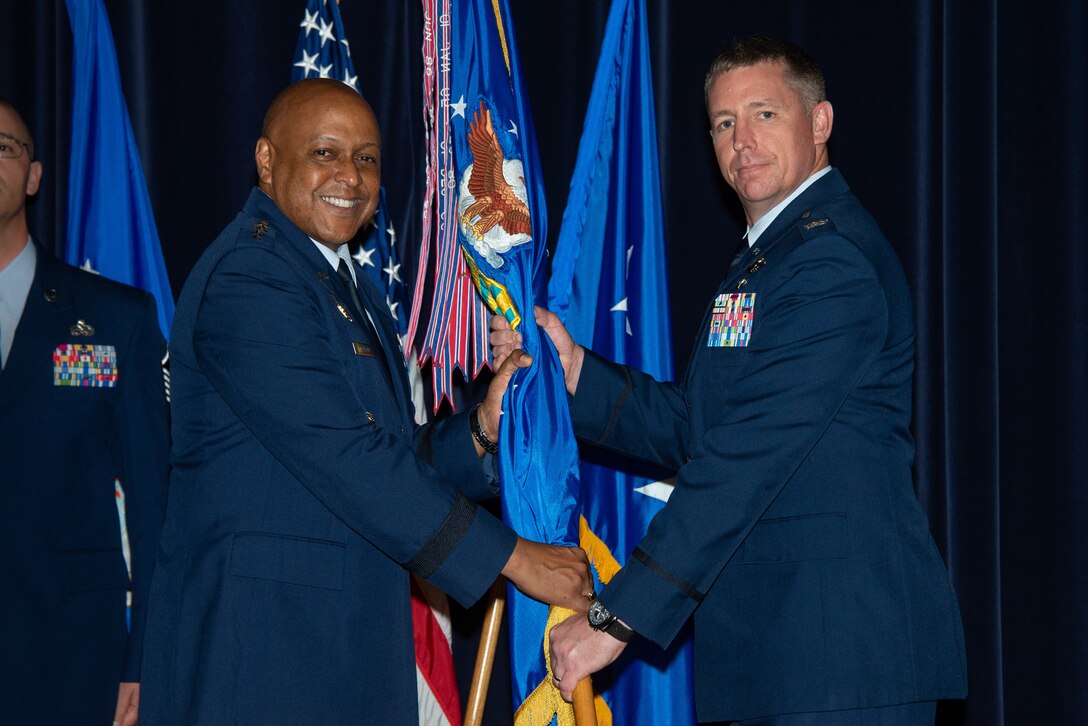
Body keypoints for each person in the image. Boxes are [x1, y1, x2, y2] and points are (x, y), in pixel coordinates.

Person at [493, 37, 967, 725]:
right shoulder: (768, 259)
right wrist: (575, 374)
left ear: (820, 123)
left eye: (764, 114)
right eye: (723, 123)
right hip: (775, 657)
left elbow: (744, 457)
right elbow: (701, 428)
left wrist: (613, 616)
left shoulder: (829, 261)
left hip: (840, 662)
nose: (741, 140)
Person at [138, 78, 592, 724]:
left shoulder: (346, 286)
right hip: (262, 660)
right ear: (267, 161)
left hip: (336, 651)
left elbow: (391, 450)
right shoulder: (252, 277)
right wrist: (514, 560)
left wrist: (481, 433)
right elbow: (346, 457)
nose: (349, 175)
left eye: (368, 158)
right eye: (325, 152)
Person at [0, 98, 170, 725]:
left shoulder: (112, 320)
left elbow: (155, 501)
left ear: (35, 174)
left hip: (72, 656)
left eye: (3, 146)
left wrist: (146, 656)